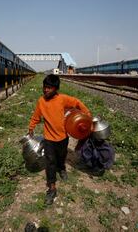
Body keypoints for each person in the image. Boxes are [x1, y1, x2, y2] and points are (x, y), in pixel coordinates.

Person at [28, 74, 91, 205]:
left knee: (61, 156)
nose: (46, 90)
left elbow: (77, 102)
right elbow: (36, 116)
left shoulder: (62, 99)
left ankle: (62, 168)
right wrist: (31, 127)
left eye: (49, 88)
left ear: (55, 89)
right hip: (49, 138)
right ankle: (51, 187)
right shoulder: (41, 101)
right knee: (50, 161)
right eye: (45, 87)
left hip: (63, 137)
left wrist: (87, 114)